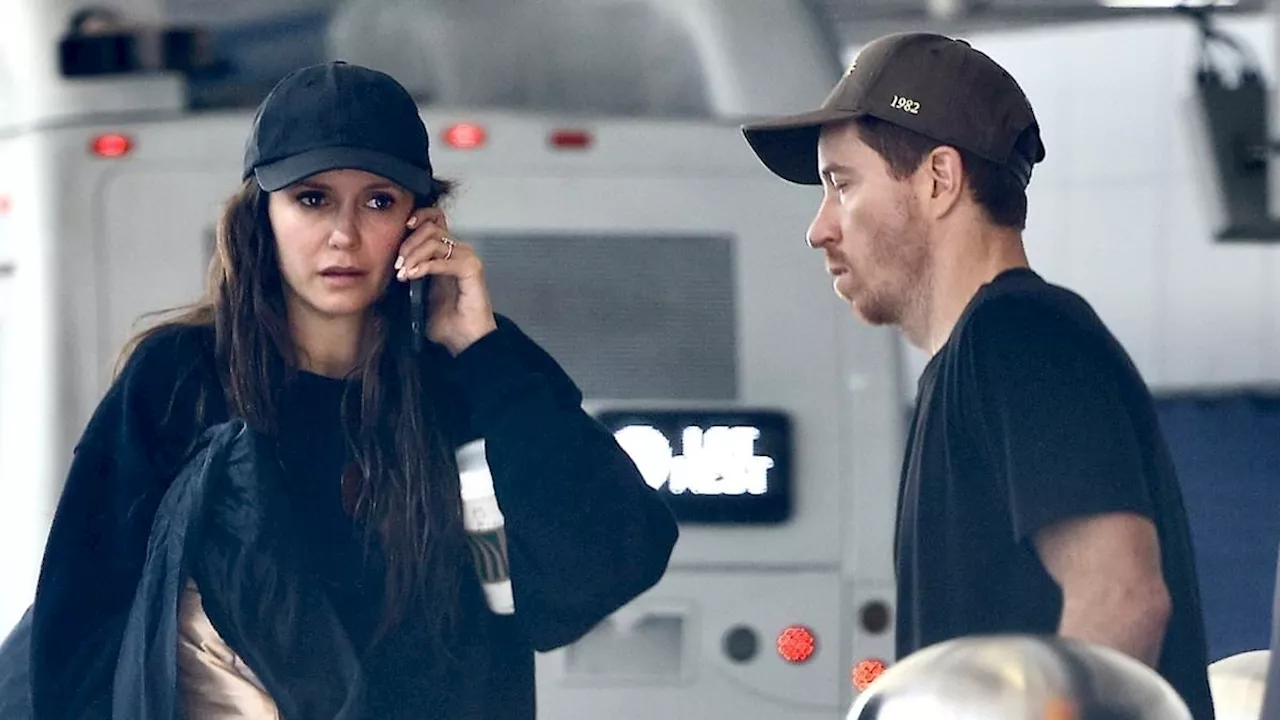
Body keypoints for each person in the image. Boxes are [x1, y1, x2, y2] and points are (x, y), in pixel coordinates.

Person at [23, 61, 679, 719]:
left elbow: (608, 562)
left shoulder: (468, 373)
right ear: (264, 212)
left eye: (378, 200)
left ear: (420, 222)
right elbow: (82, 619)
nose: (344, 234)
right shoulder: (182, 377)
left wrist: (483, 351)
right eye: (312, 198)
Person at [741, 32, 1215, 718]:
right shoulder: (970, 363)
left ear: (938, 179)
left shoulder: (1021, 337)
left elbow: (1122, 599)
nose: (819, 229)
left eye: (841, 186)